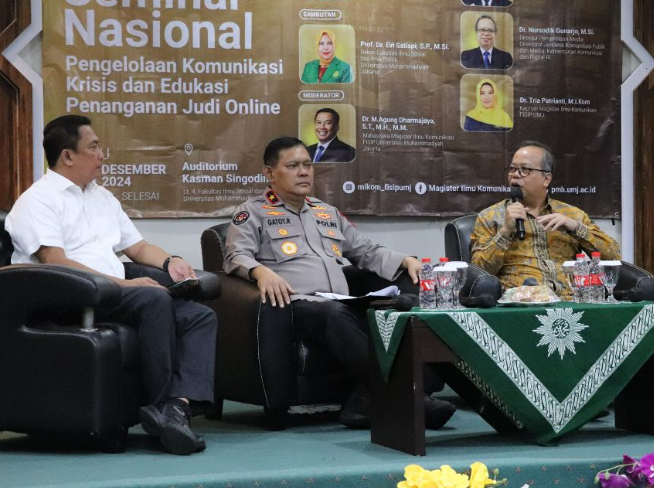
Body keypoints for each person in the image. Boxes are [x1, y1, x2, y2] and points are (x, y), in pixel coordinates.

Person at [5, 115, 216, 455]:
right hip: (65, 296)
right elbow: (55, 261)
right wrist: (125, 284)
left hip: (112, 291)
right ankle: (161, 406)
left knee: (198, 315)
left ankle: (176, 406)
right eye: (94, 147)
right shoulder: (38, 200)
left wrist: (170, 261)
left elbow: (137, 247)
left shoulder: (102, 197)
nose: (103, 154)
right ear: (67, 156)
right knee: (153, 300)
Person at [223, 137, 456, 429]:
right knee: (334, 315)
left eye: (307, 165)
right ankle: (404, 396)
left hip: (339, 302)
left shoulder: (326, 212)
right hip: (296, 305)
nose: (304, 172)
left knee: (403, 309)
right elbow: (235, 255)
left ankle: (364, 402)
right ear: (269, 173)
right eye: (293, 166)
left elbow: (365, 251)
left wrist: (406, 261)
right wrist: (260, 272)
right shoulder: (253, 212)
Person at [470, 141, 621, 296]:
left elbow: (613, 256)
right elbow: (478, 273)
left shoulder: (572, 214)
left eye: (525, 170)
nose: (515, 175)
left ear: (546, 179)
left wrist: (576, 228)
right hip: (520, 303)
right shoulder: (491, 216)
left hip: (569, 301)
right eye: (513, 169)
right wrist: (505, 231)